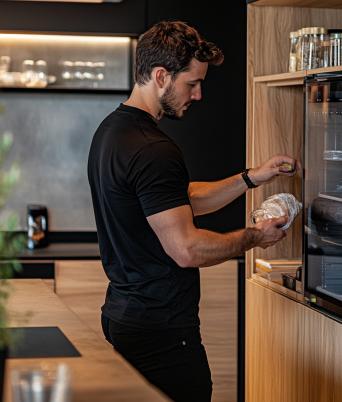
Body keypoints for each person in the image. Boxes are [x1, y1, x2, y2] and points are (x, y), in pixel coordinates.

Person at [87, 21, 300, 402]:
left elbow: (175, 199)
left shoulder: (112, 131)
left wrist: (252, 177)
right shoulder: (154, 149)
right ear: (161, 76)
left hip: (125, 314)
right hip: (162, 331)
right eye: (192, 83)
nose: (198, 94)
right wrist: (256, 237)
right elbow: (186, 249)